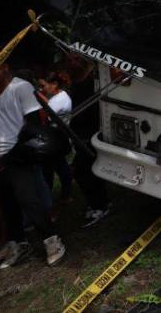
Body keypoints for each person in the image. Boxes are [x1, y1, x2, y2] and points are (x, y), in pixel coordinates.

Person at [0, 50, 66, 269]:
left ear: (5, 67)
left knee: (28, 199)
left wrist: (10, 156)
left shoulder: (21, 88)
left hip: (18, 154)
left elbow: (32, 126)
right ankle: (18, 244)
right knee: (6, 205)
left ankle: (52, 240)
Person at [64, 53, 110, 227]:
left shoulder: (92, 82)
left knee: (84, 170)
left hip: (92, 132)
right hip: (79, 133)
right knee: (85, 170)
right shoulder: (75, 84)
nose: (70, 63)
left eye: (74, 60)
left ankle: (100, 205)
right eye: (68, 60)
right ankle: (97, 203)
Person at [38, 71, 74, 205]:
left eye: (44, 85)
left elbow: (45, 115)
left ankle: (57, 197)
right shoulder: (58, 97)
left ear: (54, 84)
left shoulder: (59, 99)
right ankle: (63, 195)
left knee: (52, 169)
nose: (42, 89)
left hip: (56, 138)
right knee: (58, 167)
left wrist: (38, 95)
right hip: (55, 137)